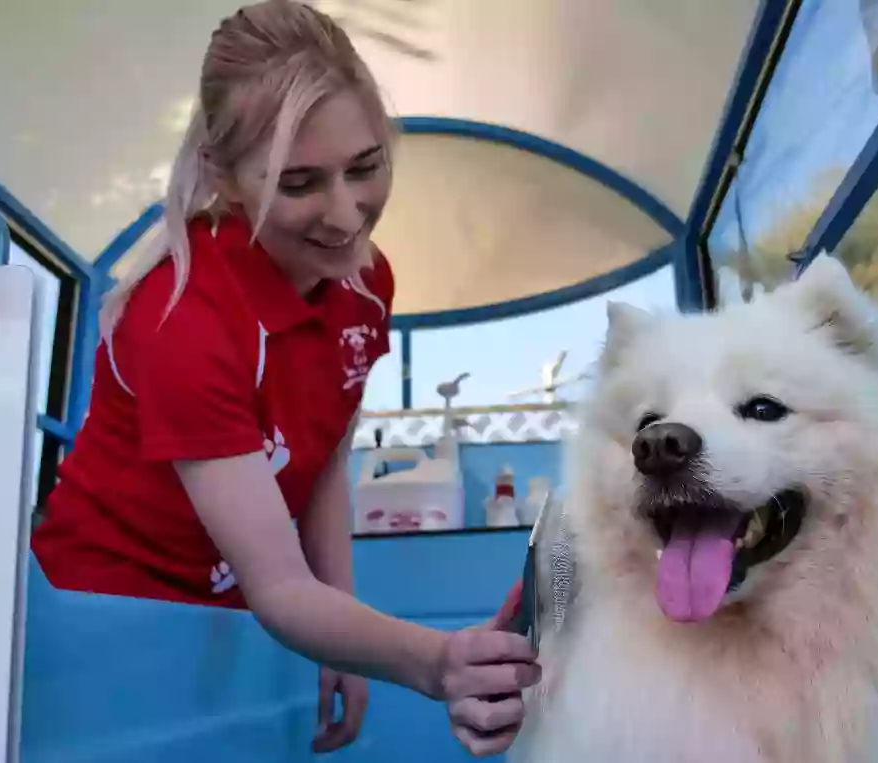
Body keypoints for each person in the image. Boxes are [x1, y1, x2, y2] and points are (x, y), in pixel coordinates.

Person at [31, 1, 538, 756]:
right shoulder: (183, 320)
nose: (347, 215)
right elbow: (278, 586)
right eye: (299, 184)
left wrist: (344, 629)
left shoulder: (366, 282)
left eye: (365, 167)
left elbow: (321, 454)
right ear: (225, 178)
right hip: (102, 614)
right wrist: (429, 660)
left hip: (238, 618)